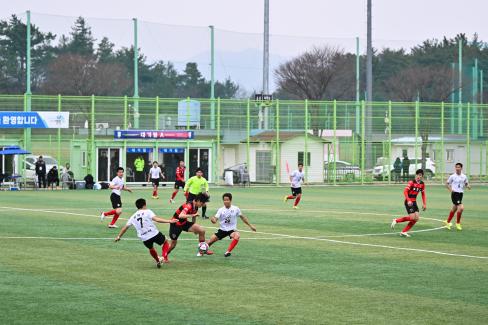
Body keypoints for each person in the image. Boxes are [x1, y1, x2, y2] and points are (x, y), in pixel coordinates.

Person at [114, 198, 177, 268]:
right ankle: (163, 257)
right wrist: (169, 221)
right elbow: (157, 219)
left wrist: (119, 236)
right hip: (153, 233)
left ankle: (158, 261)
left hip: (144, 238)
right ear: (144, 205)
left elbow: (125, 227)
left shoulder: (133, 216)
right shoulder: (148, 211)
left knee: (151, 248)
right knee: (165, 242)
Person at [207, 193, 256, 257]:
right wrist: (213, 220)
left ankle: (228, 252)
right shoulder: (221, 210)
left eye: (227, 200)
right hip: (222, 230)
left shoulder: (236, 208)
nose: (225, 201)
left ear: (230, 200)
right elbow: (215, 220)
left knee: (237, 235)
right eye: (224, 200)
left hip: (232, 230)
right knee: (210, 241)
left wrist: (250, 226)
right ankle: (202, 251)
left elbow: (243, 217)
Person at [167, 193, 213, 258]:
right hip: (175, 224)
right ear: (198, 201)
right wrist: (192, 215)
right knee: (173, 244)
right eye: (202, 203)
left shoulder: (196, 206)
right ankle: (164, 256)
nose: (202, 205)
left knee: (201, 230)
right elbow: (181, 216)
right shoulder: (188, 205)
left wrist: (194, 227)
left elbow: (194, 216)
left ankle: (202, 250)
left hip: (184, 223)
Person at [391, 169, 427, 237]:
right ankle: (396, 220)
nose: (419, 176)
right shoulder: (411, 182)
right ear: (416, 175)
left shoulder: (422, 184)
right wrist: (408, 200)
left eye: (420, 175)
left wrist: (424, 204)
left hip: (414, 202)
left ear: (422, 176)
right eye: (417, 175)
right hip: (408, 202)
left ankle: (404, 232)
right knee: (412, 218)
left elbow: (423, 194)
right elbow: (405, 191)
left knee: (416, 219)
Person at [445, 163, 471, 231]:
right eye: (456, 167)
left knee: (454, 208)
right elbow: (447, 184)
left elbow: (466, 182)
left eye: (459, 167)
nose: (457, 168)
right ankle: (458, 223)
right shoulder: (452, 176)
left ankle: (447, 222)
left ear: (461, 168)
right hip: (454, 194)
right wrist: (451, 190)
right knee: (461, 207)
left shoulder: (464, 176)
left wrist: (468, 186)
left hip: (460, 194)